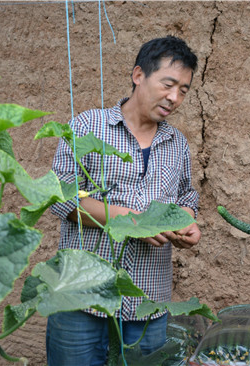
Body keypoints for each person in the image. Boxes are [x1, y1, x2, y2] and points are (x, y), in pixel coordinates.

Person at [47, 36, 201, 366]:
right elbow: (60, 197)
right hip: (81, 296)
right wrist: (131, 222)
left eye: (184, 91)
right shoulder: (89, 126)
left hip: (148, 305)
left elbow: (187, 197)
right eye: (168, 84)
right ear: (138, 76)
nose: (174, 98)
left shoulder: (177, 144)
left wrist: (185, 222)